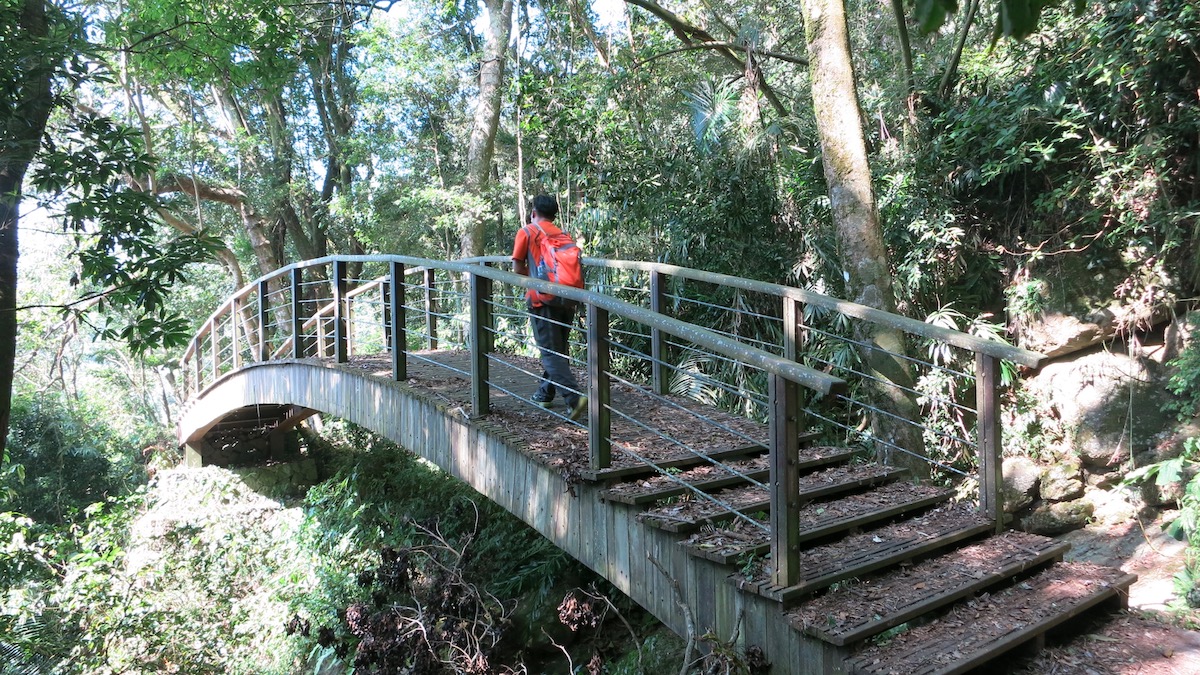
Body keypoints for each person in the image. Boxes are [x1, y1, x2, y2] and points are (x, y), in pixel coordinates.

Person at [511, 194, 588, 422]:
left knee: (549, 352)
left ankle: (575, 399)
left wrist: (537, 279)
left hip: (542, 299)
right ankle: (545, 392)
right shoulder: (563, 234)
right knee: (558, 348)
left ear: (533, 212)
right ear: (554, 213)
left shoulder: (527, 232)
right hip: (568, 298)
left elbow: (517, 268)